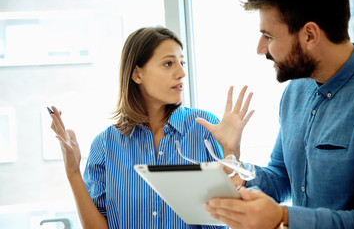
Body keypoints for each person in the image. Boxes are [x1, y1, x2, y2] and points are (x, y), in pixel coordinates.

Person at [49, 26, 254, 229]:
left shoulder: (204, 128)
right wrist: (73, 172)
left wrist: (231, 153)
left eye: (182, 62)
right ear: (137, 74)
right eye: (168, 63)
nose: (181, 73)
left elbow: (229, 219)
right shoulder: (105, 145)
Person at [199, 0, 354, 228]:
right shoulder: (294, 93)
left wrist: (284, 217)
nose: (260, 48)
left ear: (309, 35)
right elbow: (281, 176)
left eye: (268, 36)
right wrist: (237, 171)